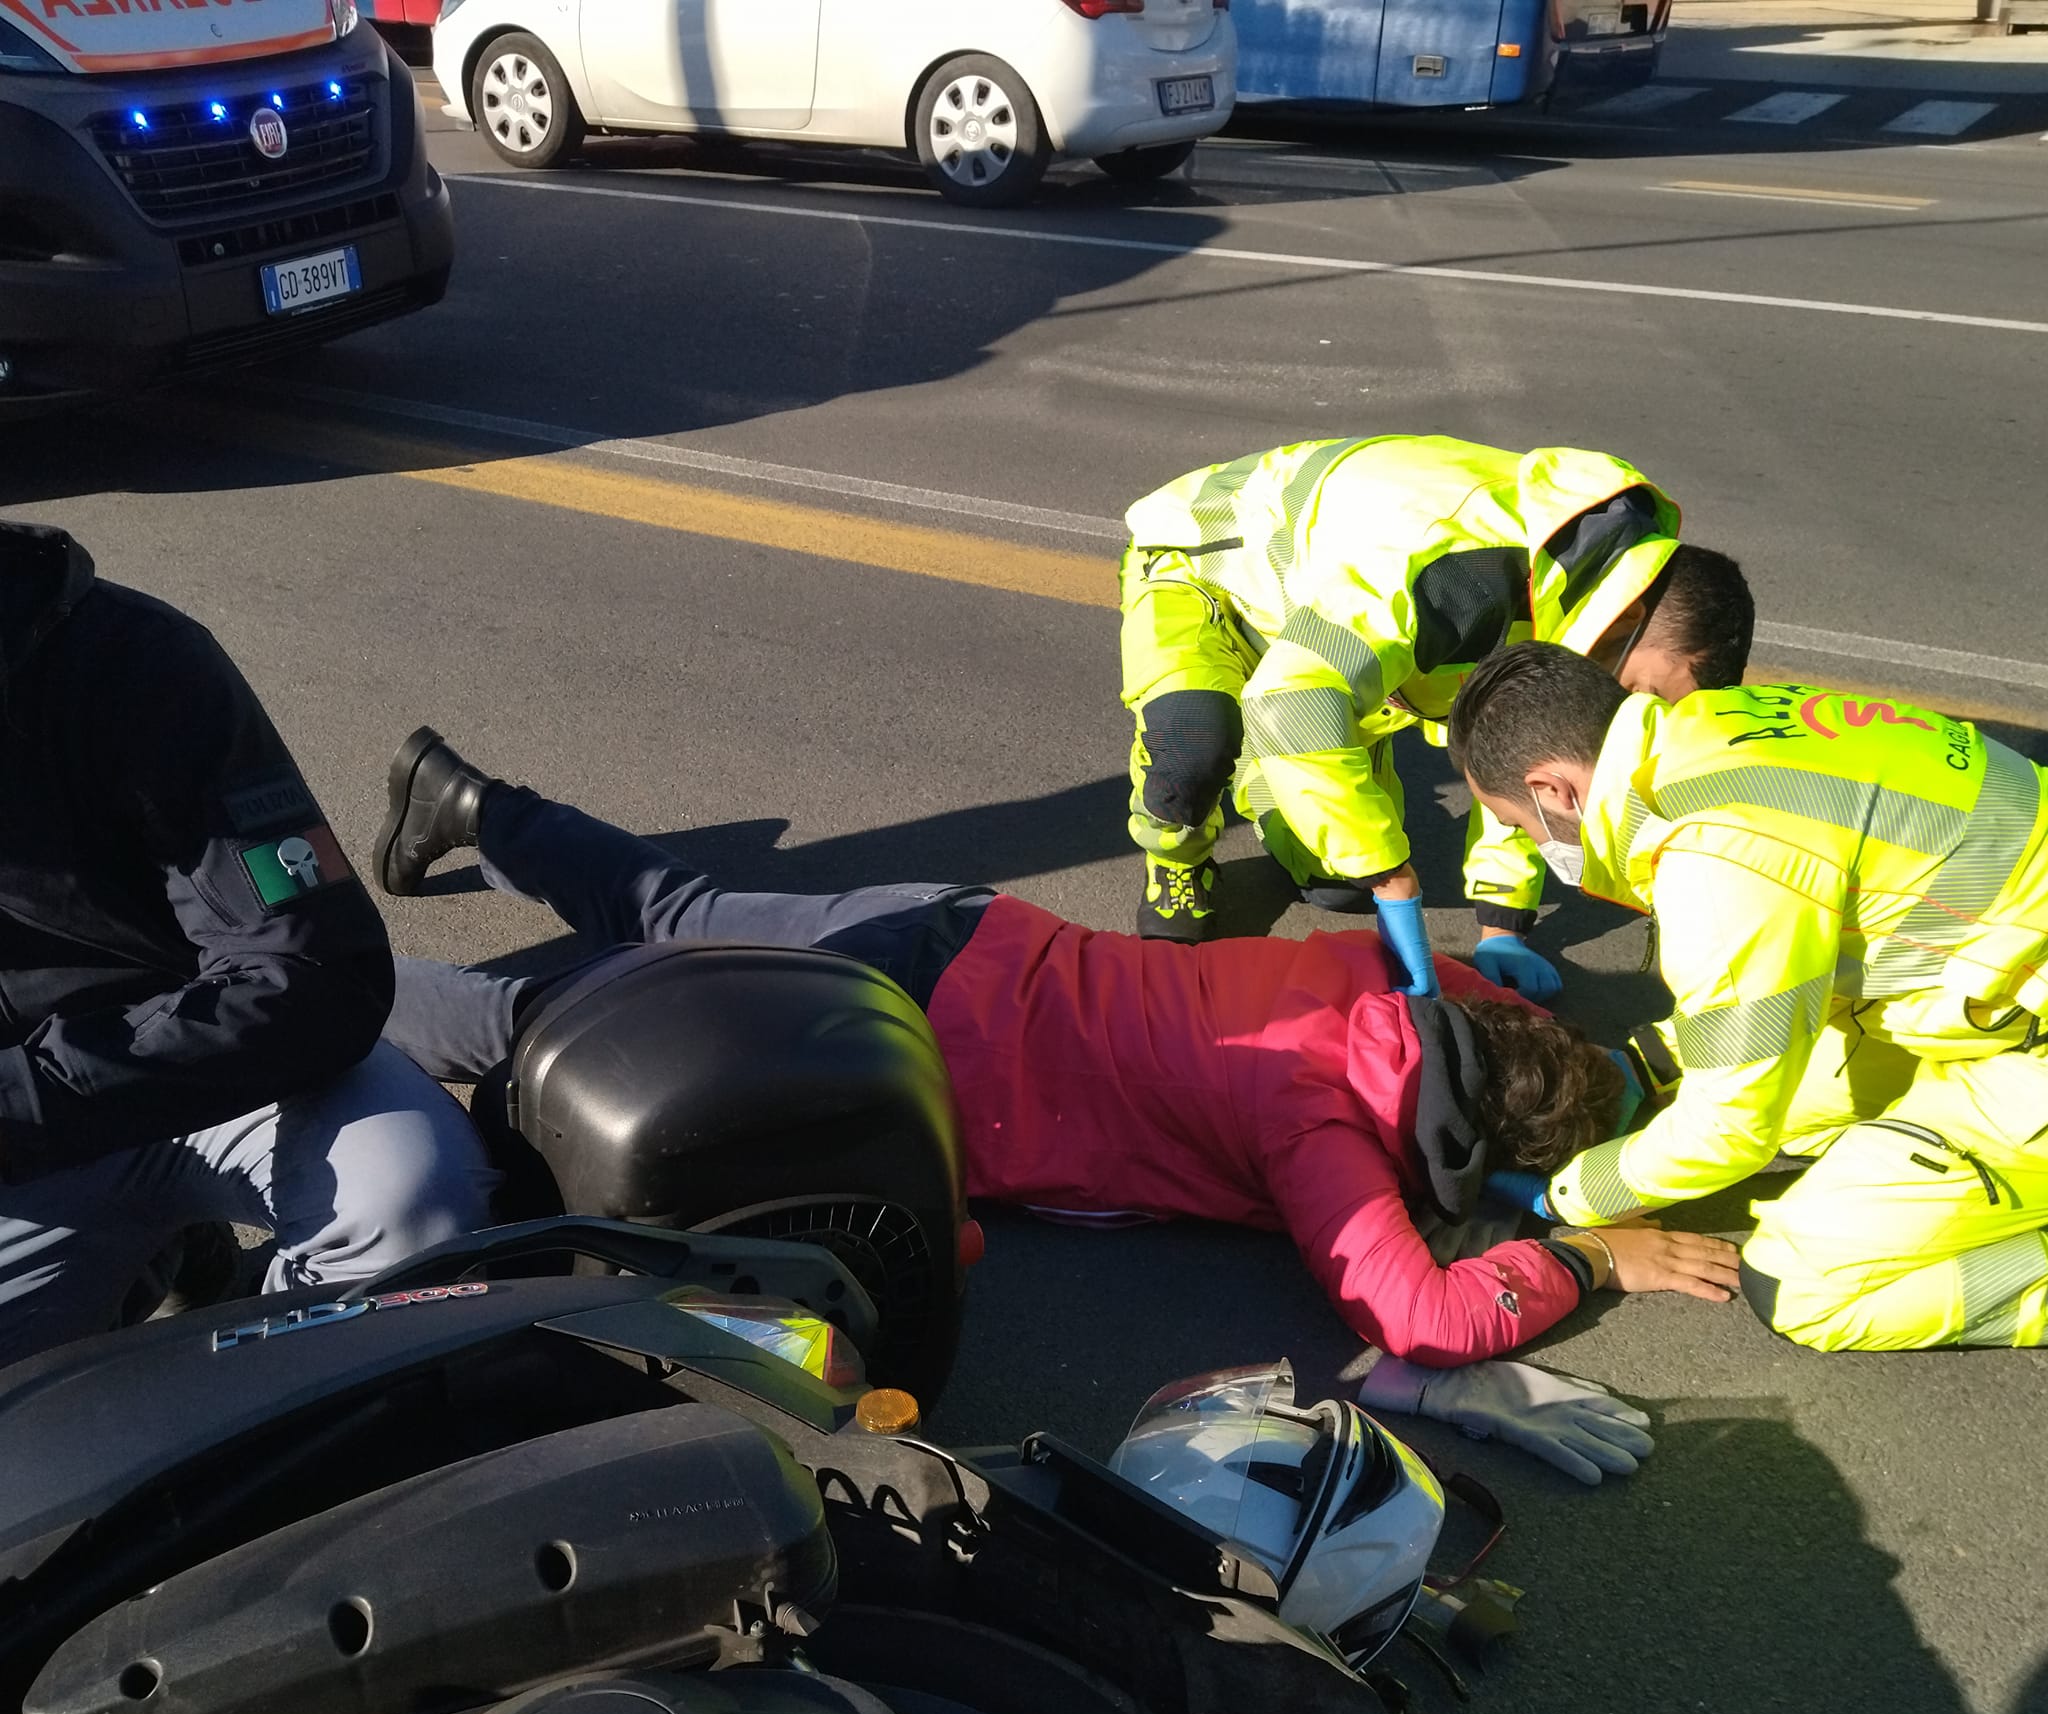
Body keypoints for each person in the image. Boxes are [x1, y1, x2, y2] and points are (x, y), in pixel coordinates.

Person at [375, 729, 1739, 1455]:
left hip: (963, 929)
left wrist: (1610, 1066)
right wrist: (1588, 1256)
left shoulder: (1388, 981)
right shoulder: (1317, 1130)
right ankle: (344, 996)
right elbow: (1417, 1312)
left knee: (673, 906)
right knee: (550, 1027)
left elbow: (1501, 1001)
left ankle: (468, 800)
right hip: (899, 1043)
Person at [1445, 643, 2048, 1352]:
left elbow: (1729, 1130)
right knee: (1795, 1113)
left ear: (1554, 790)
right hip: (1995, 966)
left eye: (1517, 825)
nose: (1530, 844)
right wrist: (1651, 1059)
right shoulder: (1716, 727)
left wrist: (1566, 1196)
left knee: (1799, 1283)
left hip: (2022, 1032)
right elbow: (1804, 949)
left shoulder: (1716, 856)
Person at [0, 524, 495, 1367]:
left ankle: (276, 1414)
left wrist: (26, 1094)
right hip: (26, 1138)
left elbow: (310, 972)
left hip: (219, 1067)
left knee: (411, 1207)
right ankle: (160, 1257)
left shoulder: (136, 663)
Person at [1117, 433, 1754, 1003]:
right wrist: (1393, 878)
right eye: (1638, 688)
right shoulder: (1458, 574)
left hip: (1324, 627)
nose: (1626, 711)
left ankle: (1272, 776)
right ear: (1625, 622)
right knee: (1195, 749)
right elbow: (1294, 702)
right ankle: (1177, 863)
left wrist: (1502, 927)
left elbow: (1512, 754)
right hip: (1206, 570)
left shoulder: (1580, 591)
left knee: (1337, 882)